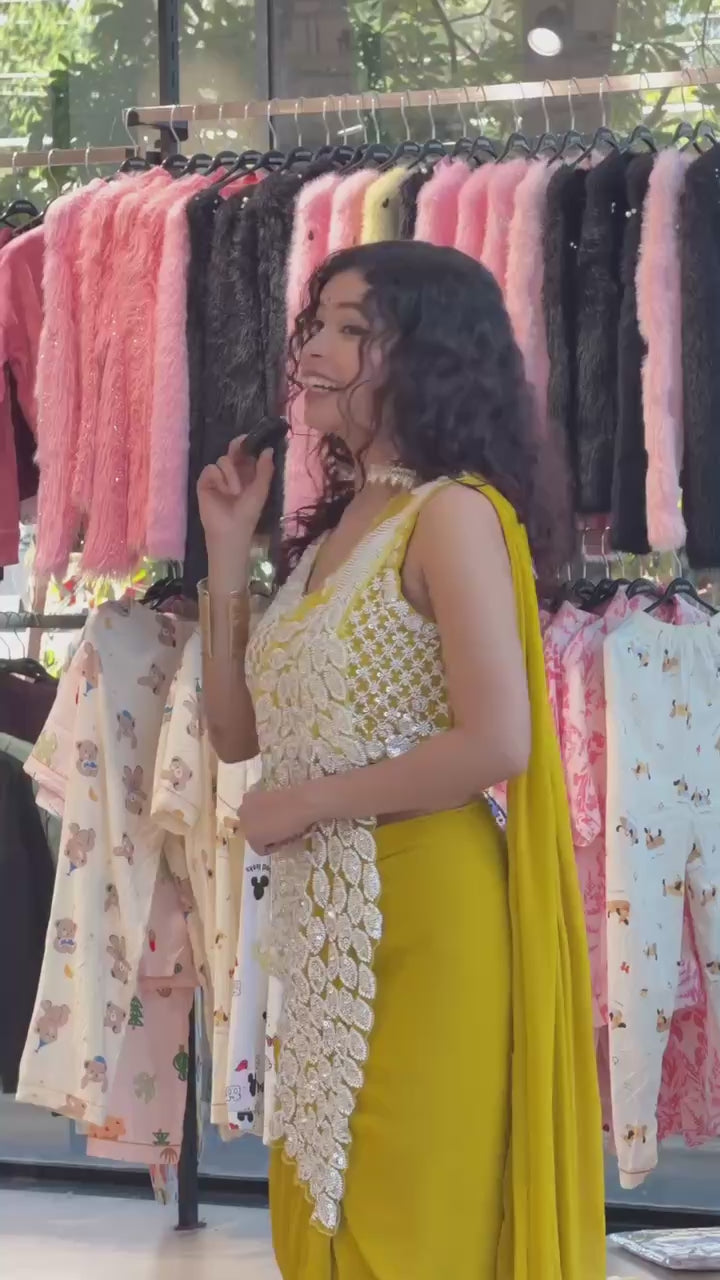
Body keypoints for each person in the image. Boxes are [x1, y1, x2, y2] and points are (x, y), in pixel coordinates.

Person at [197, 241, 605, 1280]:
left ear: (425, 354)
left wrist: (306, 804)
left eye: (352, 328)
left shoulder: (451, 514)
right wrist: (229, 552)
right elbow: (237, 733)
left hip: (430, 911)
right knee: (327, 1208)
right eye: (317, 325)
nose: (315, 350)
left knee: (418, 1226)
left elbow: (496, 741)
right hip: (325, 923)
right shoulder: (332, 532)